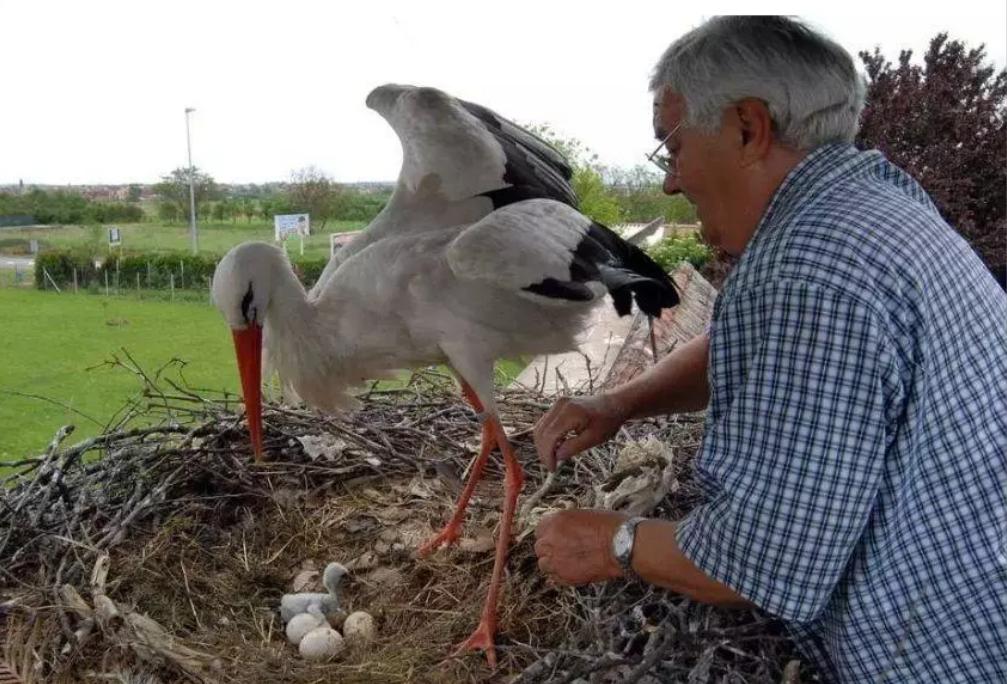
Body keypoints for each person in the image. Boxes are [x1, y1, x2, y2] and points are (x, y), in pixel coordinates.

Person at [532, 15, 1006, 683]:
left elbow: (761, 560)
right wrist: (619, 402)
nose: (670, 182)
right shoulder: (869, 203)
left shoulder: (808, 271)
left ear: (747, 128)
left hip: (948, 658)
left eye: (671, 147)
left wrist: (612, 541)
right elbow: (752, 347)